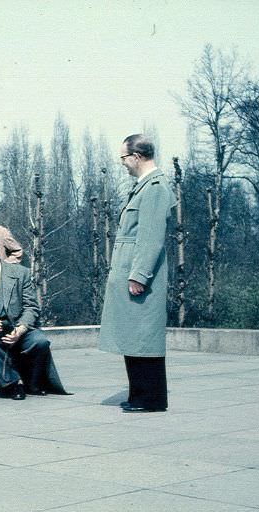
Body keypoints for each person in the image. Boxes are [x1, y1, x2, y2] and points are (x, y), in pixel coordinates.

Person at [98, 134, 176, 413]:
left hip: (139, 274)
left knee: (145, 336)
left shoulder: (155, 188)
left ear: (136, 156)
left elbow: (151, 237)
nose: (123, 164)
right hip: (129, 270)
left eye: (123, 158)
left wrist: (139, 274)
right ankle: (139, 395)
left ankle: (150, 398)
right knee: (134, 335)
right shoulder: (144, 187)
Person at [0, 234, 67, 400]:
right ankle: (12, 384)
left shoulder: (20, 273)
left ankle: (33, 383)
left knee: (40, 341)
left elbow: (31, 307)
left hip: (16, 327)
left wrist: (21, 329)